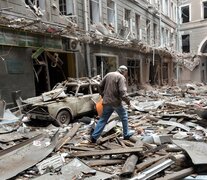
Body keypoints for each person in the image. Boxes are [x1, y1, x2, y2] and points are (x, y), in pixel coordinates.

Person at [91, 65, 134, 143]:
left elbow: (100, 85)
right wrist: (128, 102)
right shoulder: (121, 77)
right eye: (126, 73)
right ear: (124, 71)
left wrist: (103, 95)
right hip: (116, 102)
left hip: (106, 102)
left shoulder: (108, 74)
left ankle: (94, 137)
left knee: (103, 119)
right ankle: (126, 134)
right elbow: (122, 92)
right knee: (124, 116)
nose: (125, 74)